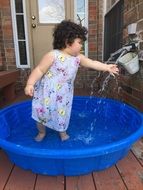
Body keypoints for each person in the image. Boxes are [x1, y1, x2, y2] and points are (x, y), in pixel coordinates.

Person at [25, 20, 119, 142]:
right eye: (79, 42)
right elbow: (39, 70)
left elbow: (92, 63)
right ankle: (41, 132)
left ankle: (62, 132)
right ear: (67, 42)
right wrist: (30, 83)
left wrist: (106, 67)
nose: (81, 45)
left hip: (63, 94)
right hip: (46, 93)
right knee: (41, 113)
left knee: (62, 113)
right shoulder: (53, 55)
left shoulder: (78, 58)